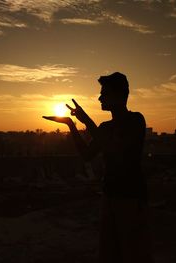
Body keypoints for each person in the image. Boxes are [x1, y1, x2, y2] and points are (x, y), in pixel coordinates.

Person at [43, 72, 153, 263]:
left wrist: (86, 121)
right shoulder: (104, 127)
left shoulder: (135, 120)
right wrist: (71, 125)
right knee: (109, 253)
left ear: (120, 95)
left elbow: (115, 148)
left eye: (105, 93)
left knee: (132, 253)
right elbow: (87, 155)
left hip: (130, 198)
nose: (100, 97)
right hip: (109, 196)